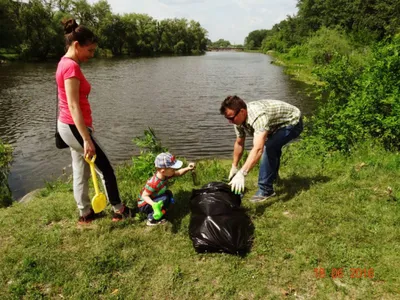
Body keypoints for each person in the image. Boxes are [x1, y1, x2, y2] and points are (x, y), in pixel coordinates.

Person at [56, 19, 134, 223]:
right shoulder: (71, 67)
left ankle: (85, 213)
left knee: (80, 171)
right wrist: (86, 138)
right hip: (74, 127)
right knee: (105, 168)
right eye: (89, 50)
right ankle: (119, 209)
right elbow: (73, 106)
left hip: (69, 125)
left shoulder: (64, 63)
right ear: (76, 45)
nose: (91, 55)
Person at [220, 95, 303, 203]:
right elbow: (239, 142)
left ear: (242, 111)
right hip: (276, 125)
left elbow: (258, 149)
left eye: (231, 118)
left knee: (268, 147)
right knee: (272, 147)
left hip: (292, 122)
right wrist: (234, 166)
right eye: (227, 118)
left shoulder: (258, 116)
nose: (229, 122)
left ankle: (266, 190)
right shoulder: (237, 119)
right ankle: (272, 179)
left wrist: (242, 173)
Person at [138, 152, 195, 226]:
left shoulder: (165, 175)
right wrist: (153, 204)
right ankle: (152, 219)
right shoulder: (154, 183)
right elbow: (144, 196)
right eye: (172, 169)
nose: (174, 170)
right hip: (144, 204)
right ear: (163, 171)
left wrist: (188, 168)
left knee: (168, 193)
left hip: (154, 198)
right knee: (164, 198)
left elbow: (179, 173)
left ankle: (163, 210)